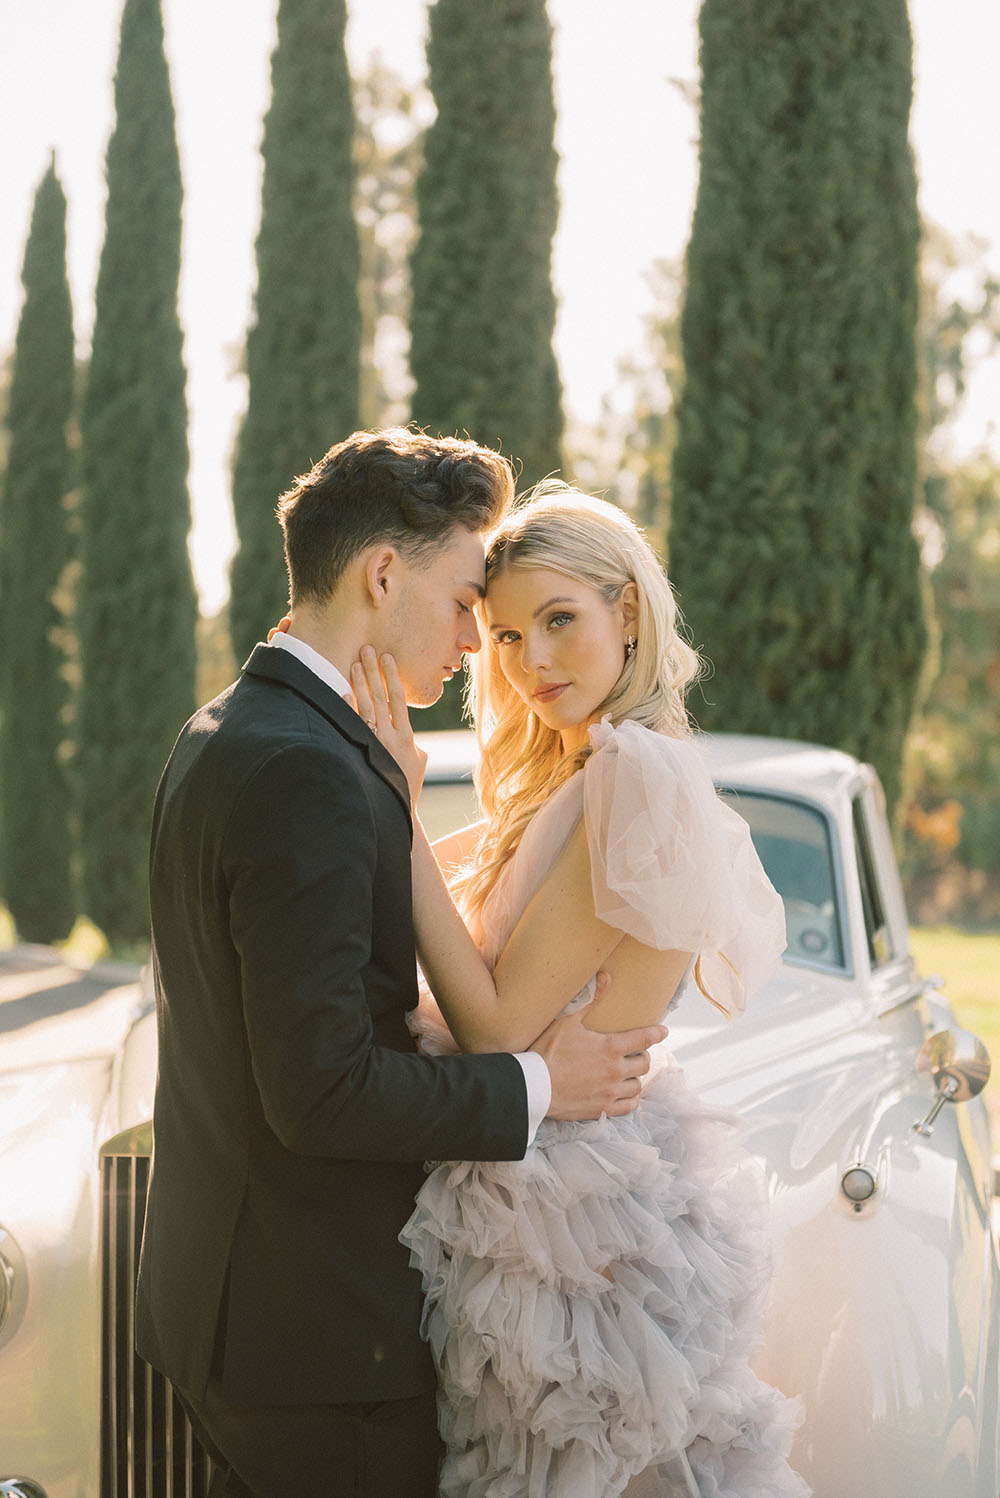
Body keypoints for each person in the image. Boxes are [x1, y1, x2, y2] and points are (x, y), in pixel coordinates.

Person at [134, 431, 668, 1498]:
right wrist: (542, 1084)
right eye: (472, 600)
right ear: (384, 574)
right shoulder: (311, 773)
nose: (481, 643)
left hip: (240, 1308)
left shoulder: (225, 729)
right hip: (319, 1344)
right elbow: (323, 1093)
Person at [352, 484, 810, 1498]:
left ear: (628, 613)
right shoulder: (580, 772)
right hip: (544, 1167)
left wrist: (398, 805)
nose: (532, 662)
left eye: (560, 620)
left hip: (570, 1207)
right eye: (506, 635)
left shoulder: (633, 776)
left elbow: (500, 1025)